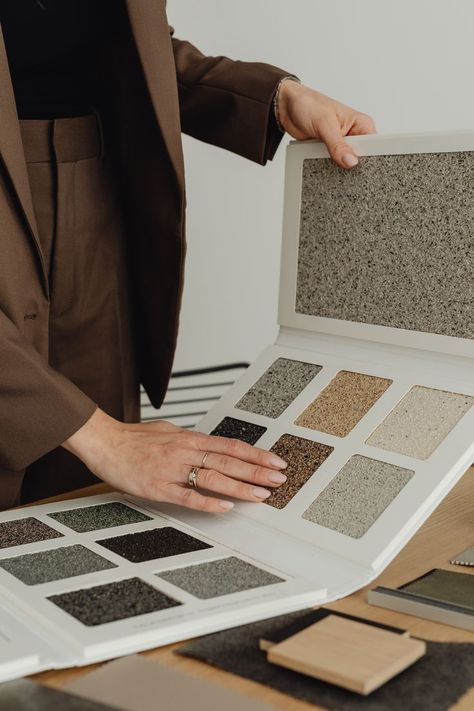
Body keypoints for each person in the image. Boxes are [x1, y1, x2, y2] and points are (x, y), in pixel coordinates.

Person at [0, 0, 376, 512]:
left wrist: (274, 98)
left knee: (82, 506)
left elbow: (119, 44)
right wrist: (105, 438)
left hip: (95, 196)